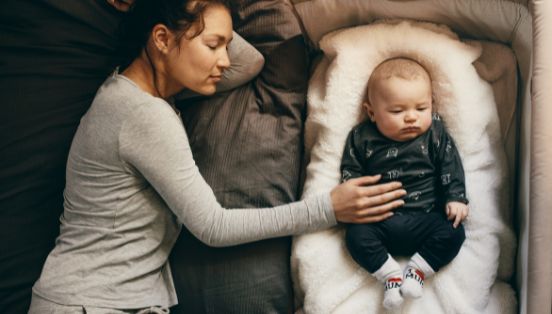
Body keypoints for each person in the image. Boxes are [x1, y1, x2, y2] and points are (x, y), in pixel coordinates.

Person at [28, 0, 406, 313]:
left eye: (225, 44)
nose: (224, 59)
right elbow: (213, 227)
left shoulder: (134, 92)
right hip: (91, 302)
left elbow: (249, 63)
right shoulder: (143, 114)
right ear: (160, 38)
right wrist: (327, 209)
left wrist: (205, 20)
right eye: (213, 46)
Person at [341, 57, 469, 310]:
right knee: (355, 237)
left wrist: (456, 197)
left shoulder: (435, 132)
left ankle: (417, 271)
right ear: (371, 113)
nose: (411, 118)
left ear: (432, 105)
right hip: (380, 219)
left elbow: (450, 164)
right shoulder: (361, 137)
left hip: (427, 217)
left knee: (455, 231)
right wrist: (355, 203)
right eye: (397, 111)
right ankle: (389, 274)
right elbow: (351, 171)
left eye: (421, 109)